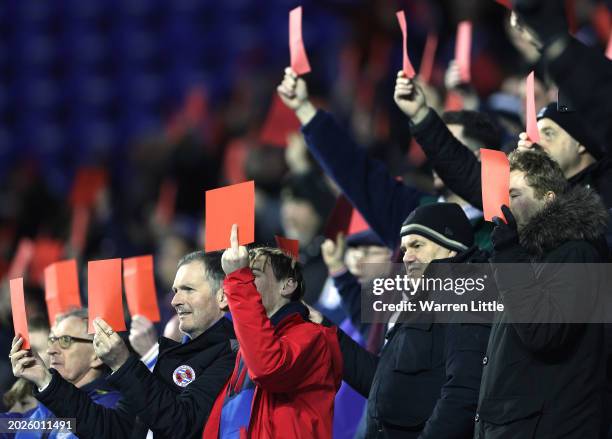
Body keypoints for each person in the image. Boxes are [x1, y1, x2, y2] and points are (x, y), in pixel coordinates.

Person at [14, 251, 236, 439]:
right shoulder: (175, 356)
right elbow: (114, 431)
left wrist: (126, 362)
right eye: (176, 290)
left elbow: (179, 424)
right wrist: (44, 379)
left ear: (222, 296)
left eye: (188, 289)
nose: (174, 300)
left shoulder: (232, 355)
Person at [277, 67, 499, 252]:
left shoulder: (503, 228)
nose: (437, 154)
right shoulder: (412, 212)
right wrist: (304, 109)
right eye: (435, 144)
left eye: (446, 145)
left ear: (478, 156)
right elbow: (357, 173)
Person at [326, 203, 491, 438]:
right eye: (404, 249)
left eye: (417, 245)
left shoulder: (469, 295)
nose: (407, 257)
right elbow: (383, 383)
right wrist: (326, 331)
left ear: (450, 247)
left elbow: (463, 392)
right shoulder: (417, 300)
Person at [474, 150, 609, 438]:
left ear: (548, 199)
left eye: (514, 194)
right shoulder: (528, 258)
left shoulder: (578, 253)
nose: (503, 205)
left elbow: (543, 332)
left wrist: (509, 252)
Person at [202, 225, 343, 438]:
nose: (244, 279)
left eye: (253, 274)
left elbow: (268, 368)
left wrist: (239, 280)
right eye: (243, 274)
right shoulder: (244, 348)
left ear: (287, 285)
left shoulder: (312, 337)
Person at [8, 309, 123, 439]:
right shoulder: (47, 407)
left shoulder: (110, 407)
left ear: (96, 356)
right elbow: (8, 426)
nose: (51, 350)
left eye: (65, 341)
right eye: (52, 340)